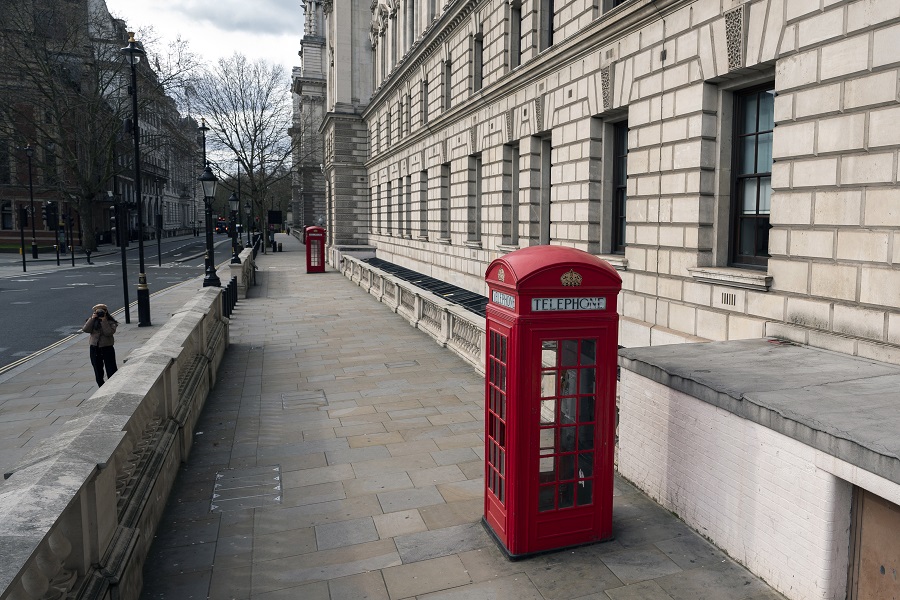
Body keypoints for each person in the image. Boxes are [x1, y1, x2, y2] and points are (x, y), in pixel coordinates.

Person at [82, 303, 118, 387]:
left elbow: (108, 332)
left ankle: (112, 387)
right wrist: (92, 319)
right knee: (98, 370)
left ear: (106, 312)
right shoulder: (91, 320)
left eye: (102, 311)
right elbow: (85, 329)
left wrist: (103, 320)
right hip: (94, 349)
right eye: (97, 311)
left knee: (111, 370)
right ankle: (101, 387)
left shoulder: (111, 322)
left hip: (107, 348)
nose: (100, 313)